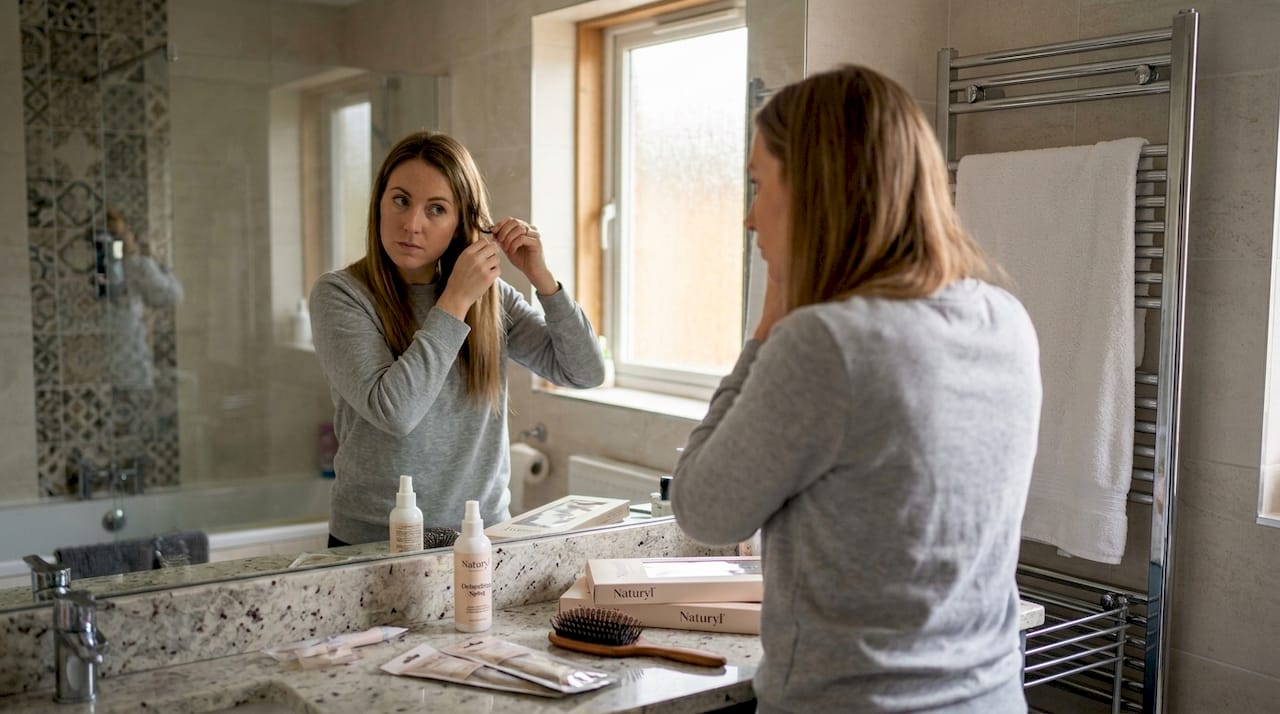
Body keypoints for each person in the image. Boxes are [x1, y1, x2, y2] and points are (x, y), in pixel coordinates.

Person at [670, 65, 1043, 713]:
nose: (750, 219)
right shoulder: (1004, 319)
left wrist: (766, 327)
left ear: (814, 189)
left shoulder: (825, 343)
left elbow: (704, 510)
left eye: (759, 185)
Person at [310, 130, 605, 547]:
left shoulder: (489, 298)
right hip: (374, 542)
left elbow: (586, 372)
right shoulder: (341, 295)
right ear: (378, 203)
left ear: (461, 222)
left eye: (436, 209)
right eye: (400, 200)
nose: (412, 224)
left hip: (481, 537)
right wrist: (455, 301)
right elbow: (395, 411)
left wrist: (542, 279)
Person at [100, 207, 184, 390]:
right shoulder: (130, 266)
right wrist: (135, 258)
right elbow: (171, 296)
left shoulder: (131, 267)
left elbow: (171, 296)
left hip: (127, 366)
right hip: (122, 368)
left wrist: (137, 259)